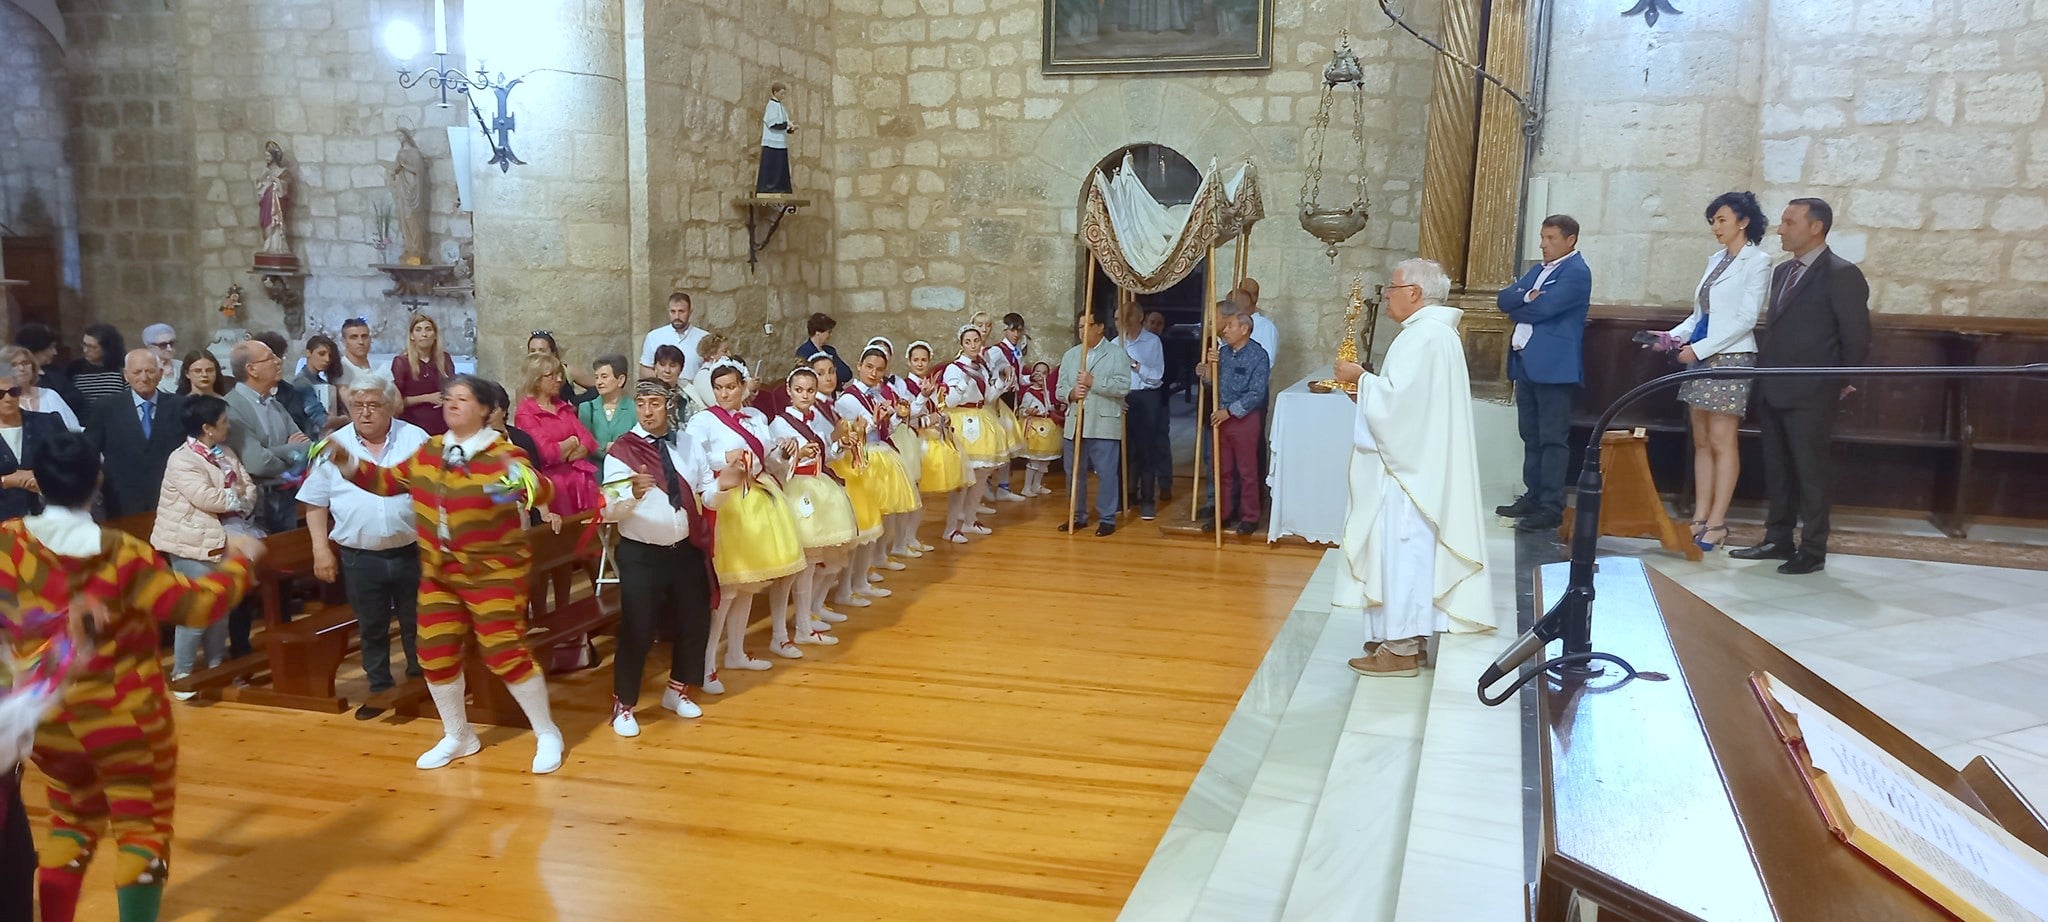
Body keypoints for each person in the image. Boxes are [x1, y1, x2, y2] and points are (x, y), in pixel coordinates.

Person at [4, 430, 263, 922]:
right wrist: (239, 565)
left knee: (71, 822)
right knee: (141, 829)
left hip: (49, 719)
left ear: (37, 480)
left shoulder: (6, 542)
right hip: (127, 720)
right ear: (97, 481)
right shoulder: (121, 552)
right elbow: (194, 606)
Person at [330, 374, 565, 773]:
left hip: (493, 572)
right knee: (434, 654)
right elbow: (387, 482)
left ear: (487, 410)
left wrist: (519, 487)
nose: (452, 404)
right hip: (439, 573)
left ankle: (546, 733)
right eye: (448, 398)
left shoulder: (503, 454)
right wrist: (344, 460)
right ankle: (459, 735)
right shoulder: (431, 451)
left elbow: (539, 491)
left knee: (503, 651)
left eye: (463, 399)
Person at [1332, 258, 1495, 677]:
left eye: (1392, 287)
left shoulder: (1425, 338)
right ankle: (1406, 639)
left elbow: (1400, 408)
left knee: (1403, 554)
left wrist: (1360, 377)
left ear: (1415, 294)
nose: (1387, 294)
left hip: (1410, 477)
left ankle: (1401, 649)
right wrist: (1367, 392)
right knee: (1409, 556)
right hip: (1417, 467)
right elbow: (1405, 402)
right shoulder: (1432, 335)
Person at [1730, 197, 1872, 576]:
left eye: (1790, 222)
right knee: (1778, 469)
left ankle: (1812, 547)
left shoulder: (1842, 274)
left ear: (1816, 227)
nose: (1780, 229)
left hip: (1813, 391)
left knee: (1811, 472)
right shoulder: (1782, 272)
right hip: (1774, 385)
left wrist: (1841, 381)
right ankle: (1778, 537)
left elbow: (1855, 337)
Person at [602, 379, 739, 735]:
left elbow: (703, 496)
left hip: (684, 549)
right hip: (640, 554)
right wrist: (630, 492)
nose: (648, 411)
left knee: (695, 621)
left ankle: (677, 690)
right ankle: (625, 705)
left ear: (669, 406)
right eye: (642, 403)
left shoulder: (688, 444)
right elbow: (609, 511)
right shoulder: (622, 451)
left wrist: (723, 486)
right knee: (639, 627)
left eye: (656, 403)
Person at [298, 373, 429, 720]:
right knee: (371, 625)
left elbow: (434, 493)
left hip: (411, 549)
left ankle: (422, 684)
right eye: (358, 406)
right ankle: (380, 689)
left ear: (390, 406)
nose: (365, 412)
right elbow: (315, 502)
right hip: (360, 554)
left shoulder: (414, 438)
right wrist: (320, 549)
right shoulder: (334, 446)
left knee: (417, 621)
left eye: (374, 405)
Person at [1648, 191, 1770, 553]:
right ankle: (1699, 517)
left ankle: (1717, 523)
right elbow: (1701, 316)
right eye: (1713, 221)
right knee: (1701, 441)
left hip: (1731, 358)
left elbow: (1746, 319)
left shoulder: (1757, 261)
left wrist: (1698, 349)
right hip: (1701, 355)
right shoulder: (1716, 259)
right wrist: (1672, 337)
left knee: (1722, 440)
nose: (1716, 228)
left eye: (1722, 220)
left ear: (1743, 222)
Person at [683, 361, 807, 689]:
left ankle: (736, 651)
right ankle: (706, 664)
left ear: (742, 387)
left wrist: (783, 452)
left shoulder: (757, 418)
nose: (725, 393)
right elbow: (689, 459)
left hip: (757, 499)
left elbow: (767, 460)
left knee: (748, 583)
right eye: (719, 387)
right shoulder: (702, 421)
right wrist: (725, 458)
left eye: (731, 387)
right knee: (727, 589)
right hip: (726, 504)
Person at [150, 394, 258, 697]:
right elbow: (205, 497)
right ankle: (182, 673)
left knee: (220, 609)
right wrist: (237, 496)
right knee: (196, 610)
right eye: (223, 422)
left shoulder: (224, 451)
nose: (228, 426)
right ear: (207, 428)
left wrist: (240, 496)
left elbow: (249, 487)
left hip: (222, 540)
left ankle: (215, 668)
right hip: (189, 543)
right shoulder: (181, 459)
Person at [1495, 214, 1592, 532]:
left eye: (1551, 238)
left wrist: (1523, 304)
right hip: (1526, 364)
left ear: (1570, 239)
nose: (1543, 244)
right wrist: (1525, 297)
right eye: (1542, 237)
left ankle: (1551, 505)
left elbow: (1544, 310)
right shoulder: (1538, 270)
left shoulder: (1576, 273)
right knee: (1531, 435)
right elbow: (1503, 299)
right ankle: (1533, 495)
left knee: (1552, 439)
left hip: (1554, 367)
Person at [766, 367, 860, 655]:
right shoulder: (780, 424)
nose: (805, 395)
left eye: (810, 390)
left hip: (817, 489)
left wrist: (838, 445)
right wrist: (793, 455)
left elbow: (826, 453)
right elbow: (773, 462)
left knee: (810, 564)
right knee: (793, 569)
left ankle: (804, 624)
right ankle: (781, 632)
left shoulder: (815, 418)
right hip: (796, 491)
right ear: (790, 391)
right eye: (799, 390)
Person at [837, 346, 923, 584]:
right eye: (869, 367)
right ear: (859, 366)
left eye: (879, 369)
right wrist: (874, 423)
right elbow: (856, 433)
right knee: (868, 521)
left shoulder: (875, 395)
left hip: (880, 454)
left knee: (881, 519)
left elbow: (886, 431)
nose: (874, 373)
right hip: (864, 458)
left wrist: (896, 416)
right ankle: (856, 578)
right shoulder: (848, 399)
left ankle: (870, 567)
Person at [808, 352, 882, 617]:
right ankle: (815, 606)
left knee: (847, 543)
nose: (828, 377)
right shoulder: (814, 410)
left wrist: (857, 433)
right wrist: (838, 439)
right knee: (833, 546)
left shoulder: (831, 405)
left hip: (844, 472)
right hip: (829, 477)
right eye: (820, 373)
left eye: (831, 371)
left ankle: (828, 598)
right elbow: (823, 447)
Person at [84, 350, 185, 521]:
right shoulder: (106, 408)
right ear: (125, 375)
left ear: (160, 374)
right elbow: (89, 450)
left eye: (150, 371)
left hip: (171, 498)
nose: (144, 378)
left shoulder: (180, 406)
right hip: (120, 499)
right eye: (137, 372)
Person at [223, 339, 310, 536]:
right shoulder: (232, 406)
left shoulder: (274, 403)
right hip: (257, 505)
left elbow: (306, 450)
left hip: (286, 498)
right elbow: (256, 464)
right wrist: (289, 453)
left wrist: (273, 453)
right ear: (252, 369)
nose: (278, 361)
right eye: (270, 358)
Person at [1058, 311, 1132, 537]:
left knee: (1107, 473)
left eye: (1087, 325)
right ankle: (1077, 514)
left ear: (1099, 327)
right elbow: (1059, 388)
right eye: (1079, 327)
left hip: (1103, 423)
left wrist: (1094, 382)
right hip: (1076, 422)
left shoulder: (1116, 354)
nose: (1082, 331)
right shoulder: (1071, 355)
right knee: (1074, 473)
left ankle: (1107, 517)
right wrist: (1070, 393)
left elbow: (1123, 386)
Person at [1199, 311, 1272, 535]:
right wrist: (1208, 372)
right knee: (1221, 469)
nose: (1225, 330)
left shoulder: (1258, 355)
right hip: (1220, 417)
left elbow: (1257, 393)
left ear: (1244, 329)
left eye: (1230, 326)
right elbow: (1211, 385)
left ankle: (1250, 516)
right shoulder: (1222, 353)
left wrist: (1229, 412)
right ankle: (1223, 513)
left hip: (1244, 418)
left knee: (1247, 470)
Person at [514, 353, 601, 517]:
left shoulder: (563, 407)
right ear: (537, 380)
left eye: (559, 374)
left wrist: (567, 451)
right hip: (554, 488)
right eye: (552, 375)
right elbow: (548, 453)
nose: (559, 379)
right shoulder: (526, 413)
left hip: (581, 485)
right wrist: (573, 441)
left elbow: (588, 441)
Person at [942, 326, 1005, 543]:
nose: (972, 345)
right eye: (967, 341)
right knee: (962, 478)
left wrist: (1001, 385)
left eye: (976, 341)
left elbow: (987, 397)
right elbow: (949, 400)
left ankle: (969, 520)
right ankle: (951, 527)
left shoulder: (982, 366)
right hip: (962, 420)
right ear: (961, 344)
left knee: (981, 475)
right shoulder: (954, 369)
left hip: (981, 418)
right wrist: (963, 381)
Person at [1114, 304, 1168, 519]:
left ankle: (1147, 500)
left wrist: (1134, 364)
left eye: (1127, 317)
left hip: (1147, 398)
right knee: (1123, 450)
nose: (1123, 321)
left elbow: (1157, 375)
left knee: (1147, 451)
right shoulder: (1114, 343)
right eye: (1119, 317)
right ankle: (1123, 496)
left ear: (1139, 318)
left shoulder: (1152, 342)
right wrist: (1118, 397)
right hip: (1124, 397)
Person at [0, 369, 63, 523]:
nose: (8, 399)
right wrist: (5, 481)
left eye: (13, 391)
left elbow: (73, 465)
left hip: (49, 519)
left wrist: (44, 479)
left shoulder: (48, 422)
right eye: (0, 394)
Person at [392, 312, 455, 436]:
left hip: (442, 424)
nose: (424, 334)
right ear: (411, 336)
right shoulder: (401, 362)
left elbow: (452, 388)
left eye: (428, 329)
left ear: (435, 335)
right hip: (412, 424)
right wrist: (427, 398)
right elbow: (396, 403)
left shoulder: (445, 359)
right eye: (418, 330)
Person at [251, 331, 318, 437]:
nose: (279, 362)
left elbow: (299, 428)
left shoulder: (289, 392)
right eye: (271, 358)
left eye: (280, 356)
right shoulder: (245, 394)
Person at [2, 345, 80, 431]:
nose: (21, 368)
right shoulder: (4, 402)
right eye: (14, 365)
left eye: (25, 363)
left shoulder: (50, 395)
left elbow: (74, 429)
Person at [578, 354, 637, 465]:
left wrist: (619, 448)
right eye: (596, 377)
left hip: (627, 468)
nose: (599, 382)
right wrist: (605, 447)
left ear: (620, 380)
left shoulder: (634, 408)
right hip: (596, 471)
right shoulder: (586, 408)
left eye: (604, 377)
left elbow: (639, 443)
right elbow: (585, 442)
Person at [1015, 362, 1064, 498]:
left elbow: (1051, 407)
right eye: (1037, 372)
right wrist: (1028, 411)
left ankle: (1037, 484)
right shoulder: (1029, 393)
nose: (1040, 376)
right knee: (1035, 460)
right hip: (1036, 429)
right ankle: (1026, 487)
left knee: (1045, 460)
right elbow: (1022, 410)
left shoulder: (1048, 392)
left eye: (1044, 373)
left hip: (1048, 428)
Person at [640, 291, 709, 380]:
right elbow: (644, 370)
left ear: (690, 312)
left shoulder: (705, 338)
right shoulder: (653, 336)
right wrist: (667, 382)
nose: (677, 316)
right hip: (662, 391)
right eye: (673, 311)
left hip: (694, 392)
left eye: (681, 311)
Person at [526, 331, 598, 405]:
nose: (537, 354)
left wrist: (576, 402)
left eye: (542, 351)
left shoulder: (567, 371)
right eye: (532, 351)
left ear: (553, 353)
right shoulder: (525, 378)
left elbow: (599, 386)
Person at [14, 322, 75, 409]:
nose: (55, 352)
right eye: (51, 347)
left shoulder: (58, 374)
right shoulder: (8, 379)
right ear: (37, 348)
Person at [67, 324, 129, 409]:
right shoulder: (74, 368)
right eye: (84, 344)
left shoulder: (121, 367)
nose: (85, 350)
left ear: (107, 348)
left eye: (92, 347)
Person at [293, 333, 346, 433]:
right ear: (308, 353)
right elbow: (323, 421)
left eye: (330, 356)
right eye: (321, 354)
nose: (327, 359)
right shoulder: (301, 382)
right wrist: (345, 419)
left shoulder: (322, 382)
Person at [756, 82, 798, 194]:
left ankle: (781, 188)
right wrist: (786, 125)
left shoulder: (782, 107)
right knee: (771, 166)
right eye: (782, 93)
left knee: (780, 167)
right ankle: (768, 188)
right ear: (775, 92)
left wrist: (791, 128)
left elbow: (784, 125)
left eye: (784, 94)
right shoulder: (771, 105)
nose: (783, 96)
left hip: (781, 142)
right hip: (771, 143)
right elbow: (773, 124)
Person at [796, 312, 855, 385]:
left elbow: (847, 374)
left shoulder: (830, 350)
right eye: (828, 332)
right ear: (818, 333)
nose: (830, 335)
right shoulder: (803, 352)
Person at [649, 343, 697, 430]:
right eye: (662, 365)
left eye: (672, 366)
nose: (667, 370)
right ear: (655, 367)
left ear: (681, 369)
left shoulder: (689, 392)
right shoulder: (646, 394)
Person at [688, 332, 735, 413]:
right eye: (725, 351)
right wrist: (747, 390)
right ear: (712, 354)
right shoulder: (703, 376)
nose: (729, 354)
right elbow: (717, 403)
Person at [337, 316, 378, 383]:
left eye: (364, 336)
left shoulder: (378, 368)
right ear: (344, 341)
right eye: (354, 337)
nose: (361, 342)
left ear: (370, 339)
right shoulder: (340, 370)